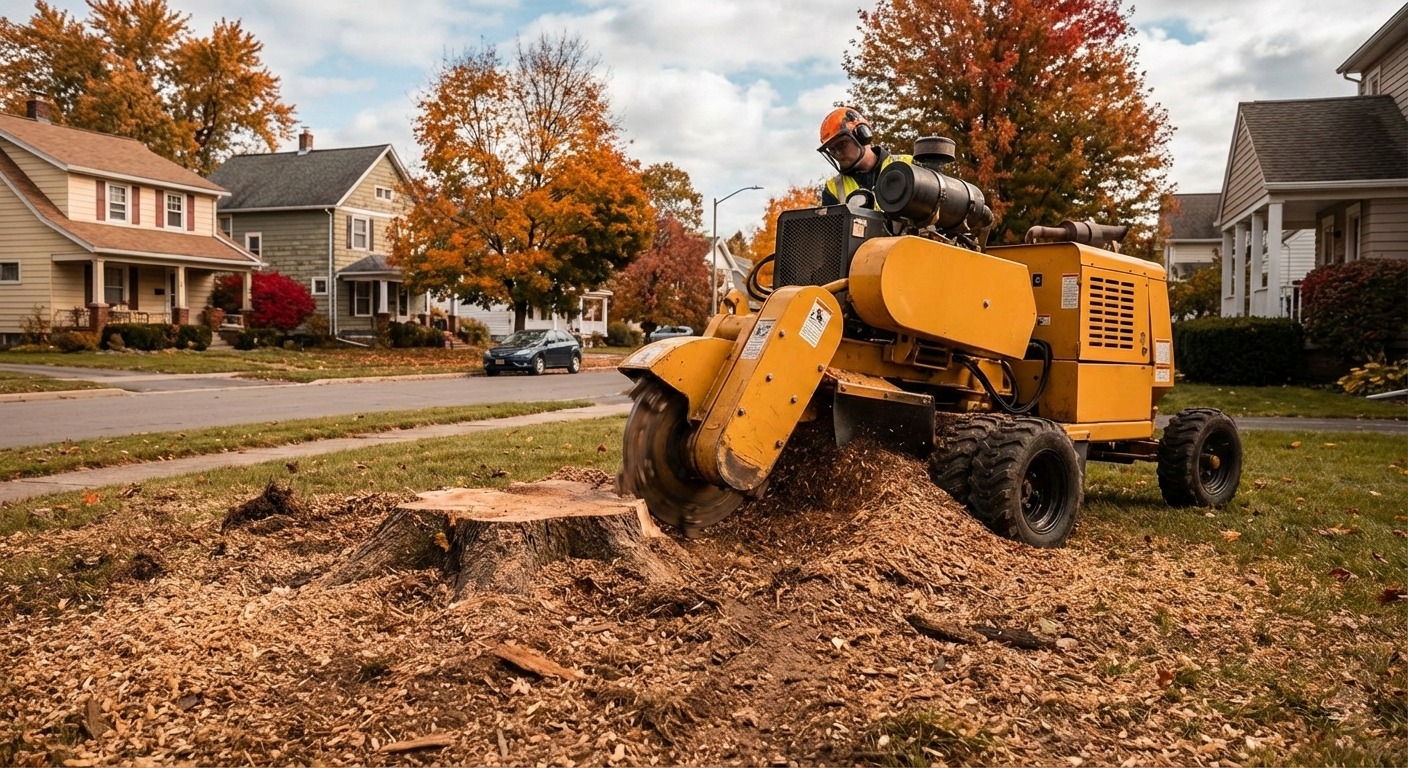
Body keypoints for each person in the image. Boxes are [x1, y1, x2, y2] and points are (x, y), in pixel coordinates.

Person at [817, 106, 912, 207]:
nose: (838, 153)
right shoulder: (833, 188)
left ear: (862, 135)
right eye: (832, 149)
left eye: (842, 144)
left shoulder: (909, 164)